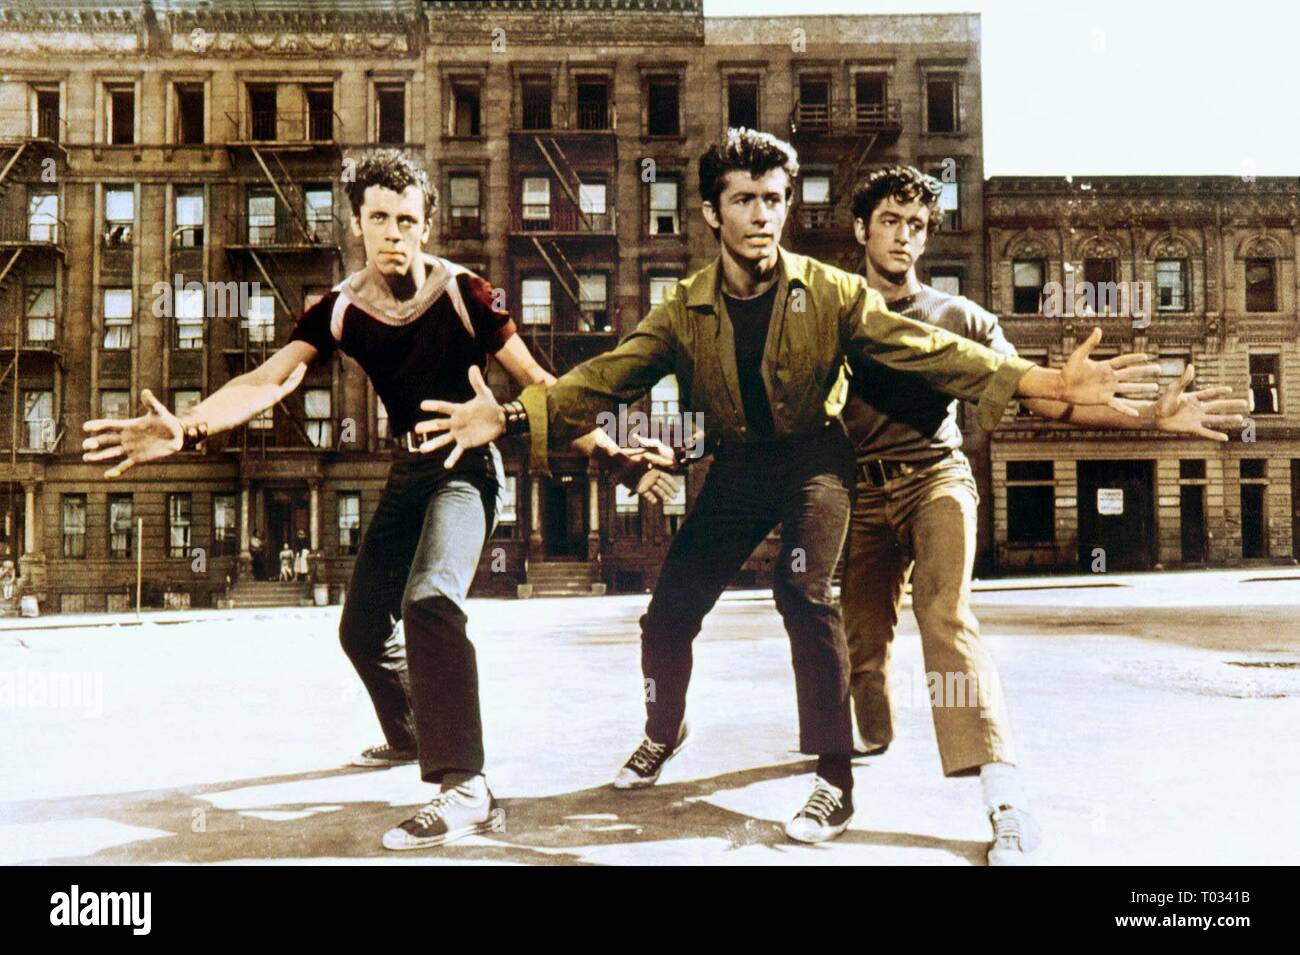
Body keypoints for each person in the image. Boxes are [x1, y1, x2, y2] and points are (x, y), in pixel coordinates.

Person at [419, 128, 1160, 844]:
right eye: (744, 200)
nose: (763, 215)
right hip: (739, 467)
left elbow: (930, 349)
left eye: (775, 199)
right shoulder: (683, 308)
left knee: (801, 592)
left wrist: (1041, 378)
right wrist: (513, 414)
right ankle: (662, 730)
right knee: (668, 612)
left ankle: (834, 780)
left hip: (816, 460)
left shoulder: (832, 292)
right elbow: (606, 377)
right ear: (712, 211)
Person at [81, 150, 676, 851]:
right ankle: (413, 736)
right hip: (407, 472)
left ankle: (466, 786)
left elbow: (543, 385)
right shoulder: (339, 311)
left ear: (426, 226)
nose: (394, 233)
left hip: (468, 467)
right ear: (356, 225)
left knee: (430, 599)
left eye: (407, 220)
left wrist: (617, 457)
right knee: (362, 629)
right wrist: (190, 424)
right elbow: (271, 380)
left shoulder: (466, 295)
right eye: (378, 219)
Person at [838, 165, 1249, 864]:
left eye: (916, 225)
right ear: (861, 229)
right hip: (860, 493)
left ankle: (1004, 794)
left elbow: (1044, 397)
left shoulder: (960, 318)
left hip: (937, 479)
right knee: (862, 640)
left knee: (945, 613)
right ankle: (869, 734)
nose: (905, 237)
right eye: (890, 222)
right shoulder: (834, 314)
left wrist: (1146, 416)